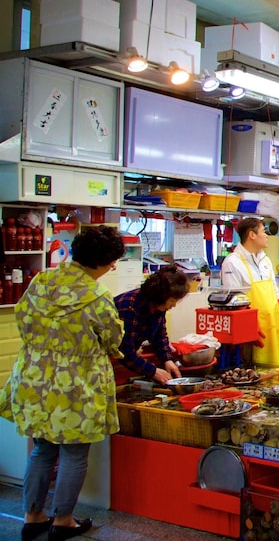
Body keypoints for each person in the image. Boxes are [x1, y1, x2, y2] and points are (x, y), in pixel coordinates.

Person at [0, 226, 126, 541]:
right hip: (77, 385)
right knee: (73, 453)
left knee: (42, 450)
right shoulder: (96, 296)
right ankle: (63, 521)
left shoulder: (41, 281)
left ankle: (32, 517)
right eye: (112, 261)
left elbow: (21, 317)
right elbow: (113, 339)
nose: (113, 267)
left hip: (35, 377)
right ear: (102, 261)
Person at [221, 217, 279, 367]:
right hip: (253, 329)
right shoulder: (232, 262)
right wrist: (250, 329)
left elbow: (275, 293)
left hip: (274, 325)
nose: (267, 235)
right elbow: (234, 302)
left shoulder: (265, 260)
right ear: (252, 235)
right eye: (263, 232)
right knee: (255, 368)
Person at [114, 266, 191, 384]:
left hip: (127, 358)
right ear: (160, 296)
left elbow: (160, 335)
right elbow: (125, 351)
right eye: (172, 301)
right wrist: (153, 371)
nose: (174, 305)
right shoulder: (129, 307)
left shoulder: (158, 306)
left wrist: (167, 359)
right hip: (107, 359)